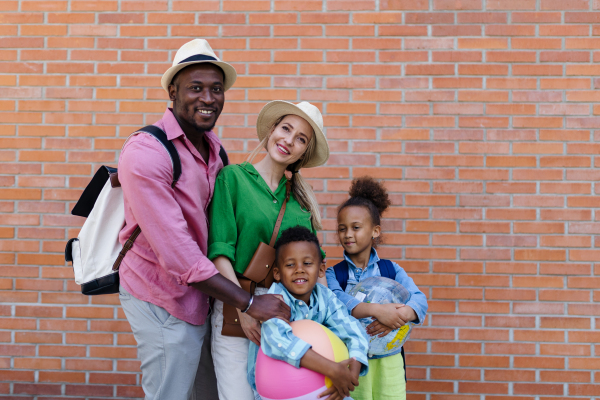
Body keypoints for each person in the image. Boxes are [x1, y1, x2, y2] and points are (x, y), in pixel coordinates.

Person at [117, 39, 290, 400]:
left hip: (206, 297)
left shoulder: (214, 148)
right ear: (172, 90)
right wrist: (248, 302)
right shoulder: (146, 152)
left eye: (216, 89)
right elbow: (179, 255)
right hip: (162, 297)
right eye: (196, 88)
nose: (208, 99)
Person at [207, 100, 330, 400]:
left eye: (301, 138)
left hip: (289, 315)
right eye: (286, 128)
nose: (289, 140)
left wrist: (327, 326)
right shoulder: (232, 178)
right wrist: (244, 306)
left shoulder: (302, 205)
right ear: (272, 130)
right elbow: (220, 252)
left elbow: (317, 273)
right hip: (236, 304)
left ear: (303, 153)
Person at [325, 177, 429, 400]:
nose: (347, 234)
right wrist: (376, 311)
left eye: (356, 227)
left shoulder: (391, 270)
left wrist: (396, 316)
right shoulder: (334, 274)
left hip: (389, 361)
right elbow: (336, 301)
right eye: (342, 229)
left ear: (375, 231)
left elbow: (419, 300)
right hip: (351, 360)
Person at [247, 226, 369, 400]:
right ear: (277, 273)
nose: (299, 270)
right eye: (290, 265)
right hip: (278, 392)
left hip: (323, 388)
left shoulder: (325, 297)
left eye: (307, 263)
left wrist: (351, 373)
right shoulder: (273, 301)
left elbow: (352, 329)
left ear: (320, 269)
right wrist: (332, 369)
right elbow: (279, 341)